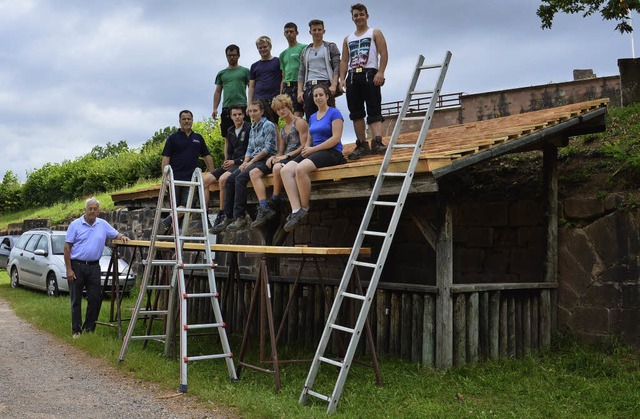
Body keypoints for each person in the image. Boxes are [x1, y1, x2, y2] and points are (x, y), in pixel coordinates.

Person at [280, 84, 346, 232]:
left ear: (327, 96)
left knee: (301, 169)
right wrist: (306, 148)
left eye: (321, 95)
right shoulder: (312, 117)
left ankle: (304, 208)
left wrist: (312, 149)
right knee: (285, 170)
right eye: (315, 95)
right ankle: (296, 210)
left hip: (331, 152)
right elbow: (310, 138)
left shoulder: (335, 114)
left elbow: (336, 139)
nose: (318, 98)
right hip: (314, 151)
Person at [64, 197, 130, 338]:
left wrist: (123, 236)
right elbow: (67, 247)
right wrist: (69, 269)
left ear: (98, 211)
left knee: (95, 298)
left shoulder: (103, 224)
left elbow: (116, 234)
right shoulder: (75, 225)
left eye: (95, 209)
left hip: (94, 267)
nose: (92, 211)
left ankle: (89, 329)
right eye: (90, 208)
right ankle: (76, 331)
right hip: (77, 266)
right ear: (85, 210)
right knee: (76, 299)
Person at [339, 3, 389, 160]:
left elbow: (383, 52)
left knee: (374, 107)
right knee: (356, 112)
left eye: (361, 14)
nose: (358, 17)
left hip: (369, 72)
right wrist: (342, 78)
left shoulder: (375, 32)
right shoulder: (348, 38)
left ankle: (377, 141)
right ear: (352, 18)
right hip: (353, 75)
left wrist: (380, 72)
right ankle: (361, 144)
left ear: (367, 15)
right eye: (355, 15)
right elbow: (344, 59)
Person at [218, 100, 277, 232]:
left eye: (255, 111)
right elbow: (250, 148)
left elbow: (268, 148)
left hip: (266, 159)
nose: (252, 113)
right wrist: (245, 161)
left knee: (240, 178)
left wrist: (250, 162)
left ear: (261, 111)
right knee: (230, 179)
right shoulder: (254, 127)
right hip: (253, 160)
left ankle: (240, 217)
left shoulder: (268, 125)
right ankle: (228, 216)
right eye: (250, 111)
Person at [251, 94, 308, 229]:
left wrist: (286, 156)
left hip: (299, 157)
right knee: (276, 166)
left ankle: (275, 200)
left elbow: (303, 146)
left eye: (283, 108)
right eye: (278, 110)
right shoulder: (283, 129)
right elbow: (280, 151)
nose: (281, 112)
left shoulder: (299, 122)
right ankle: (274, 199)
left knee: (278, 168)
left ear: (289, 107)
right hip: (287, 158)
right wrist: (275, 157)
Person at [161, 110, 216, 232]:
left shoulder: (198, 138)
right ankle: (170, 240)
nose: (186, 121)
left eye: (189, 119)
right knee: (176, 208)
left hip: (191, 180)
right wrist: (165, 178)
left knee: (188, 206)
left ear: (192, 120)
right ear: (179, 121)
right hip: (175, 179)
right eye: (184, 119)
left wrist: (213, 173)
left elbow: (207, 156)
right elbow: (166, 158)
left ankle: (167, 221)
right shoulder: (173, 138)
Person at [209, 105, 251, 234]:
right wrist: (227, 161)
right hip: (231, 163)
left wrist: (235, 162)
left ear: (243, 115)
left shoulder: (249, 128)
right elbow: (229, 151)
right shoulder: (230, 130)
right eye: (235, 115)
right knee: (204, 180)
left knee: (223, 180)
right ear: (231, 117)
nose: (237, 117)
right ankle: (203, 217)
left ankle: (223, 214)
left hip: (242, 163)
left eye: (239, 114)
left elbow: (251, 150)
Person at [297, 19, 341, 121]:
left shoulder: (330, 47)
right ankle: (312, 137)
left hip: (325, 84)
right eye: (314, 30)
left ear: (323, 31)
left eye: (319, 29)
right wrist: (300, 91)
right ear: (310, 32)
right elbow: (301, 72)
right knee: (311, 117)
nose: (317, 32)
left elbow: (337, 67)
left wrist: (334, 85)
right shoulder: (305, 51)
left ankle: (332, 137)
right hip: (309, 86)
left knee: (328, 115)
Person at [212, 44, 251, 137]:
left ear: (238, 55)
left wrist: (250, 104)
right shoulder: (221, 74)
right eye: (229, 55)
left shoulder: (245, 71)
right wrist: (214, 108)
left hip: (242, 106)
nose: (232, 57)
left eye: (234, 55)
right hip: (227, 107)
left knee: (246, 135)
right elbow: (218, 91)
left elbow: (251, 88)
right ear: (226, 56)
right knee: (227, 135)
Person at [248, 36, 281, 124]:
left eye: (265, 47)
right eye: (260, 48)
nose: (263, 49)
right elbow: (251, 87)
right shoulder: (254, 66)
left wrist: (280, 96)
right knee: (258, 125)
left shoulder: (278, 62)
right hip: (258, 100)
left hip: (273, 99)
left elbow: (283, 79)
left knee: (272, 125)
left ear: (270, 47)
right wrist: (249, 104)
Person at [279, 22, 306, 117]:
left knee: (297, 114)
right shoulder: (283, 54)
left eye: (291, 31)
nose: (289, 34)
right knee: (287, 115)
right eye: (287, 32)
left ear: (296, 33)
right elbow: (283, 75)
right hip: (287, 85)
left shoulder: (303, 48)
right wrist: (281, 93)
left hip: (298, 84)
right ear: (284, 34)